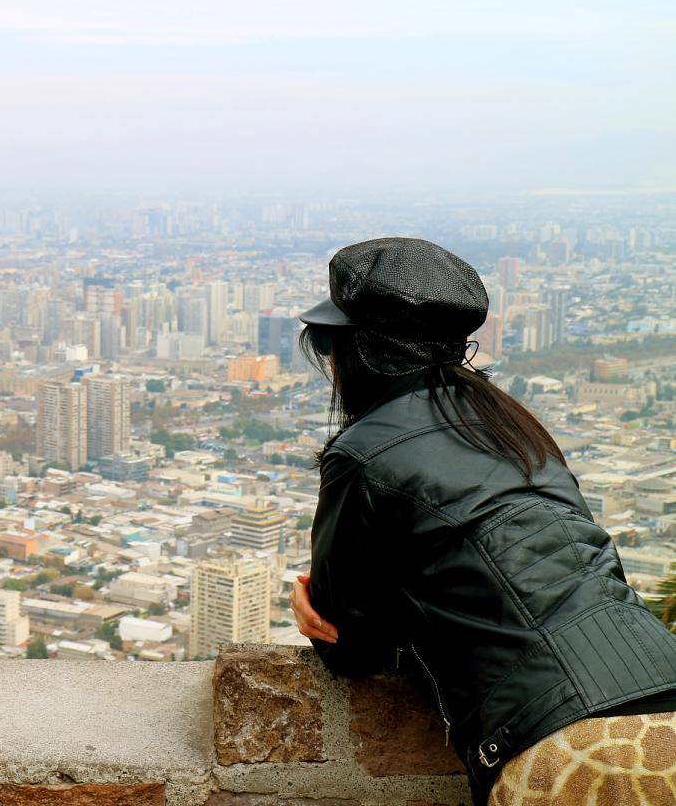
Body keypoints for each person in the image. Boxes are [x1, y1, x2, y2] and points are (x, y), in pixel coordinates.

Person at [288, 238, 676, 805]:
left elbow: (354, 649)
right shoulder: (513, 426)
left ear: (355, 353)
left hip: (570, 742)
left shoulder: (363, 453)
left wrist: (312, 614)